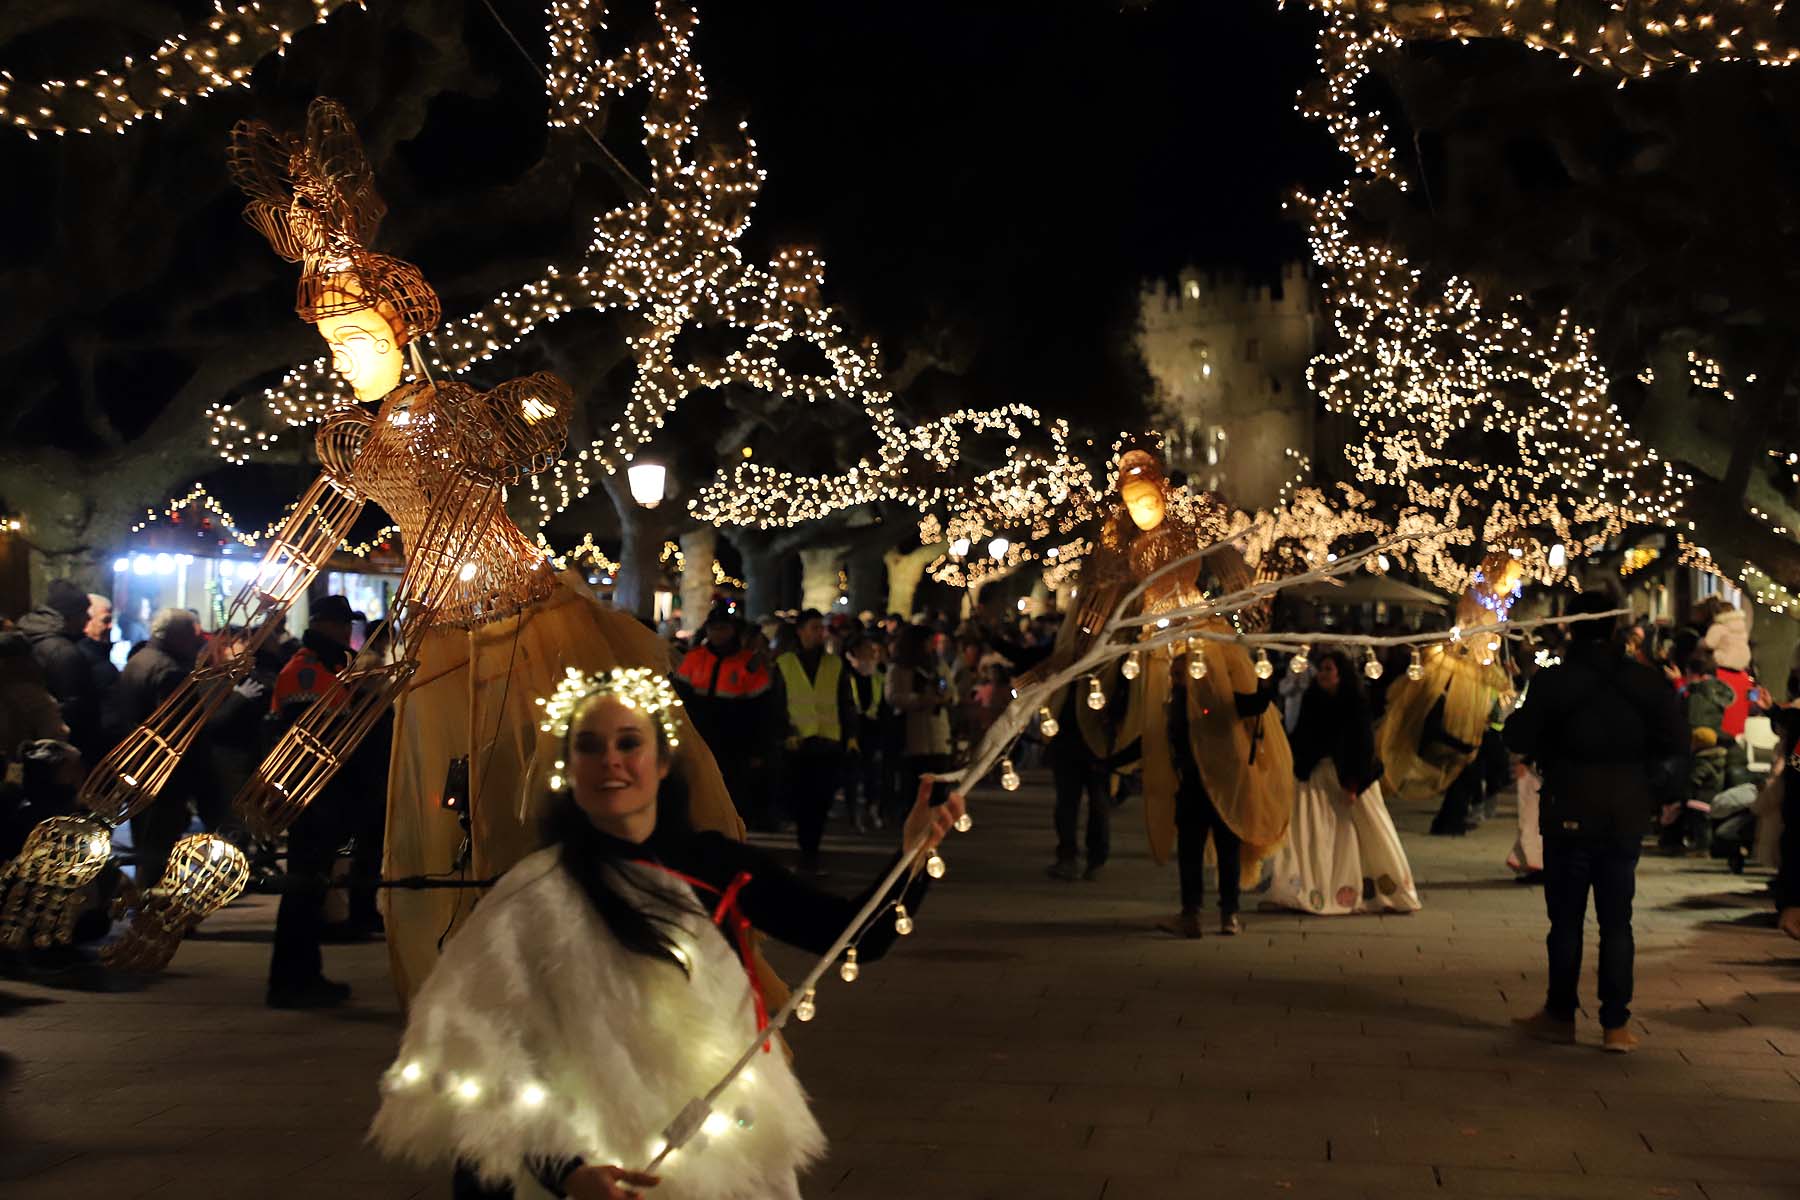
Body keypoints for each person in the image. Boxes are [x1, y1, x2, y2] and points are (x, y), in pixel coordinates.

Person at [369, 668, 964, 1200]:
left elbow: (853, 936)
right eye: (589, 746)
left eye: (630, 743)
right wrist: (568, 1169)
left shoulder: (716, 866)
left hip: (713, 1160)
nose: (612, 762)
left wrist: (911, 856)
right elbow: (477, 1055)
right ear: (568, 767)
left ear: (662, 763)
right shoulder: (528, 897)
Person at [1505, 590, 1686, 1053]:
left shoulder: (1555, 682)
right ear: (1616, 630)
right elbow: (1674, 743)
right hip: (1624, 811)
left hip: (1568, 806)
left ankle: (1560, 1014)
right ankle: (1615, 1024)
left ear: (1572, 628)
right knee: (1617, 921)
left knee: (1565, 921)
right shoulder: (1647, 684)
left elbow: (1520, 736)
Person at [1265, 649, 1420, 915]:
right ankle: (1311, 889)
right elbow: (1301, 737)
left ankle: (1372, 889)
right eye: (1321, 669)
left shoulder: (1354, 703)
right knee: (1314, 835)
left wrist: (1353, 784)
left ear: (1340, 673)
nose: (1323, 674)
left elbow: (1362, 745)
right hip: (1315, 776)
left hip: (1349, 776)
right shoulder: (1312, 699)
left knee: (1359, 833)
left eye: (1328, 669)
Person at [266, 594, 357, 1008]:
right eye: (341, 625)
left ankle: (305, 974)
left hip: (319, 793)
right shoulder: (307, 670)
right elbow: (313, 734)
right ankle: (291, 980)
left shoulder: (323, 665)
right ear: (326, 625)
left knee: (309, 887)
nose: (346, 632)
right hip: (312, 793)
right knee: (303, 887)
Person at [114, 608, 214, 887]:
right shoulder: (169, 671)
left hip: (137, 763)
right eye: (192, 635)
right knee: (159, 843)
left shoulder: (139, 660)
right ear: (176, 636)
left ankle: (146, 900)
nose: (196, 642)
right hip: (162, 770)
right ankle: (152, 907)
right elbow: (179, 726)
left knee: (145, 838)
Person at [771, 609, 856, 874]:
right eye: (814, 628)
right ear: (801, 631)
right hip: (798, 744)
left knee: (821, 800)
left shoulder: (836, 664)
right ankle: (806, 846)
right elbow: (777, 705)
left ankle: (811, 848)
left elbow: (846, 703)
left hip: (828, 742)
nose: (819, 633)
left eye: (821, 628)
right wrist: (785, 734)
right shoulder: (784, 664)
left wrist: (851, 736)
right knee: (800, 798)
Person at [672, 605, 773, 822]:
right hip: (699, 737)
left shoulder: (749, 663)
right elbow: (679, 698)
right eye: (713, 628)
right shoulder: (695, 658)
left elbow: (761, 711)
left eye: (722, 628)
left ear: (733, 630)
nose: (717, 633)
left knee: (731, 795)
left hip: (735, 742)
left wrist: (758, 749)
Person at [17, 579, 103, 764]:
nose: (88, 618)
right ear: (70, 616)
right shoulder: (63, 652)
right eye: (83, 612)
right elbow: (74, 708)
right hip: (59, 751)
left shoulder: (28, 635)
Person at [886, 623, 955, 826]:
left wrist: (944, 696)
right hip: (913, 736)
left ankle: (933, 829)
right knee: (914, 790)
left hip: (938, 734)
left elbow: (951, 689)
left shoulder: (938, 664)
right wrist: (918, 699)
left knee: (938, 787)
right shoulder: (899, 668)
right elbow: (892, 696)